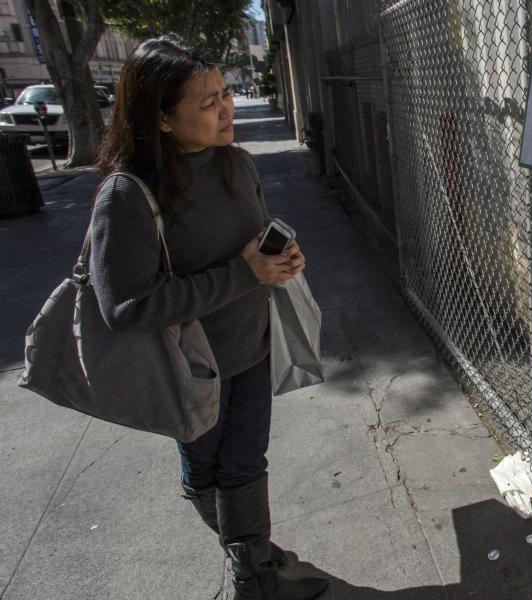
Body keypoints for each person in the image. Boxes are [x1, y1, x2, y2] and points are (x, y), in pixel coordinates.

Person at [91, 37, 327, 600]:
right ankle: (248, 557)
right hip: (189, 369)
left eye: (225, 93)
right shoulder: (126, 195)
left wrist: (282, 257)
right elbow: (126, 308)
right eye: (208, 102)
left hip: (252, 348)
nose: (227, 108)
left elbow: (252, 240)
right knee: (208, 468)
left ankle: (252, 570)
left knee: (246, 460)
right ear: (163, 120)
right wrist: (247, 274)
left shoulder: (236, 163)